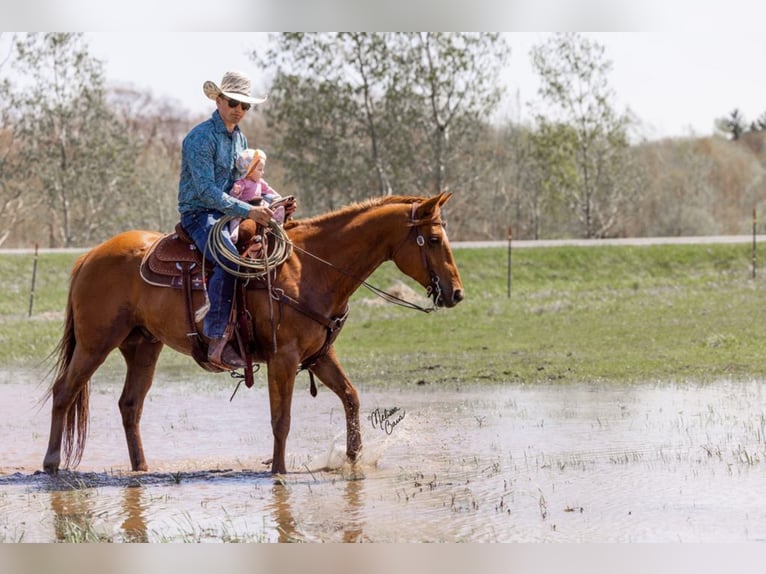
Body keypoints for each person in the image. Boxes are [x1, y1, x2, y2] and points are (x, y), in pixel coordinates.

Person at [177, 71, 273, 370]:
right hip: (199, 214)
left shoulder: (240, 138)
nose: (239, 110)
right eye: (233, 102)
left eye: (246, 106)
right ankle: (217, 338)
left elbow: (238, 181)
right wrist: (248, 211)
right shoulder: (199, 137)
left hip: (228, 212)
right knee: (230, 259)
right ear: (219, 100)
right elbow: (205, 191)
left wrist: (262, 200)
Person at [228, 148, 296, 247]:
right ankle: (233, 233)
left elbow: (269, 190)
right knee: (235, 217)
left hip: (259, 205)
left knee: (269, 207)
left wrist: (280, 199)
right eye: (260, 169)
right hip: (246, 206)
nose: (262, 172)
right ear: (249, 171)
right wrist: (235, 192)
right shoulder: (242, 183)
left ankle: (276, 218)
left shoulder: (260, 182)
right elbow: (234, 195)